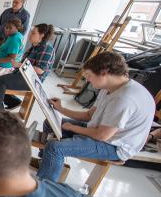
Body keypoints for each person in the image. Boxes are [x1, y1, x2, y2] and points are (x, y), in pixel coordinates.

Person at [37, 51, 155, 182]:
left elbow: (102, 135)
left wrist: (73, 128)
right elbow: (89, 115)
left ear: (104, 72)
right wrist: (61, 109)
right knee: (50, 123)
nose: (87, 80)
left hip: (115, 146)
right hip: (104, 132)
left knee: (54, 148)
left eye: (89, 75)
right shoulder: (109, 87)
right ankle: (46, 165)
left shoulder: (124, 99)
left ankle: (44, 188)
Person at [0, 23, 56, 110]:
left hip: (33, 81)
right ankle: (12, 102)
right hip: (24, 75)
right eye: (31, 32)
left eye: (33, 33)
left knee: (1, 81)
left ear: (41, 36)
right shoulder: (34, 47)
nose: (30, 34)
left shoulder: (46, 48)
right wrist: (17, 66)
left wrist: (19, 65)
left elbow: (40, 70)